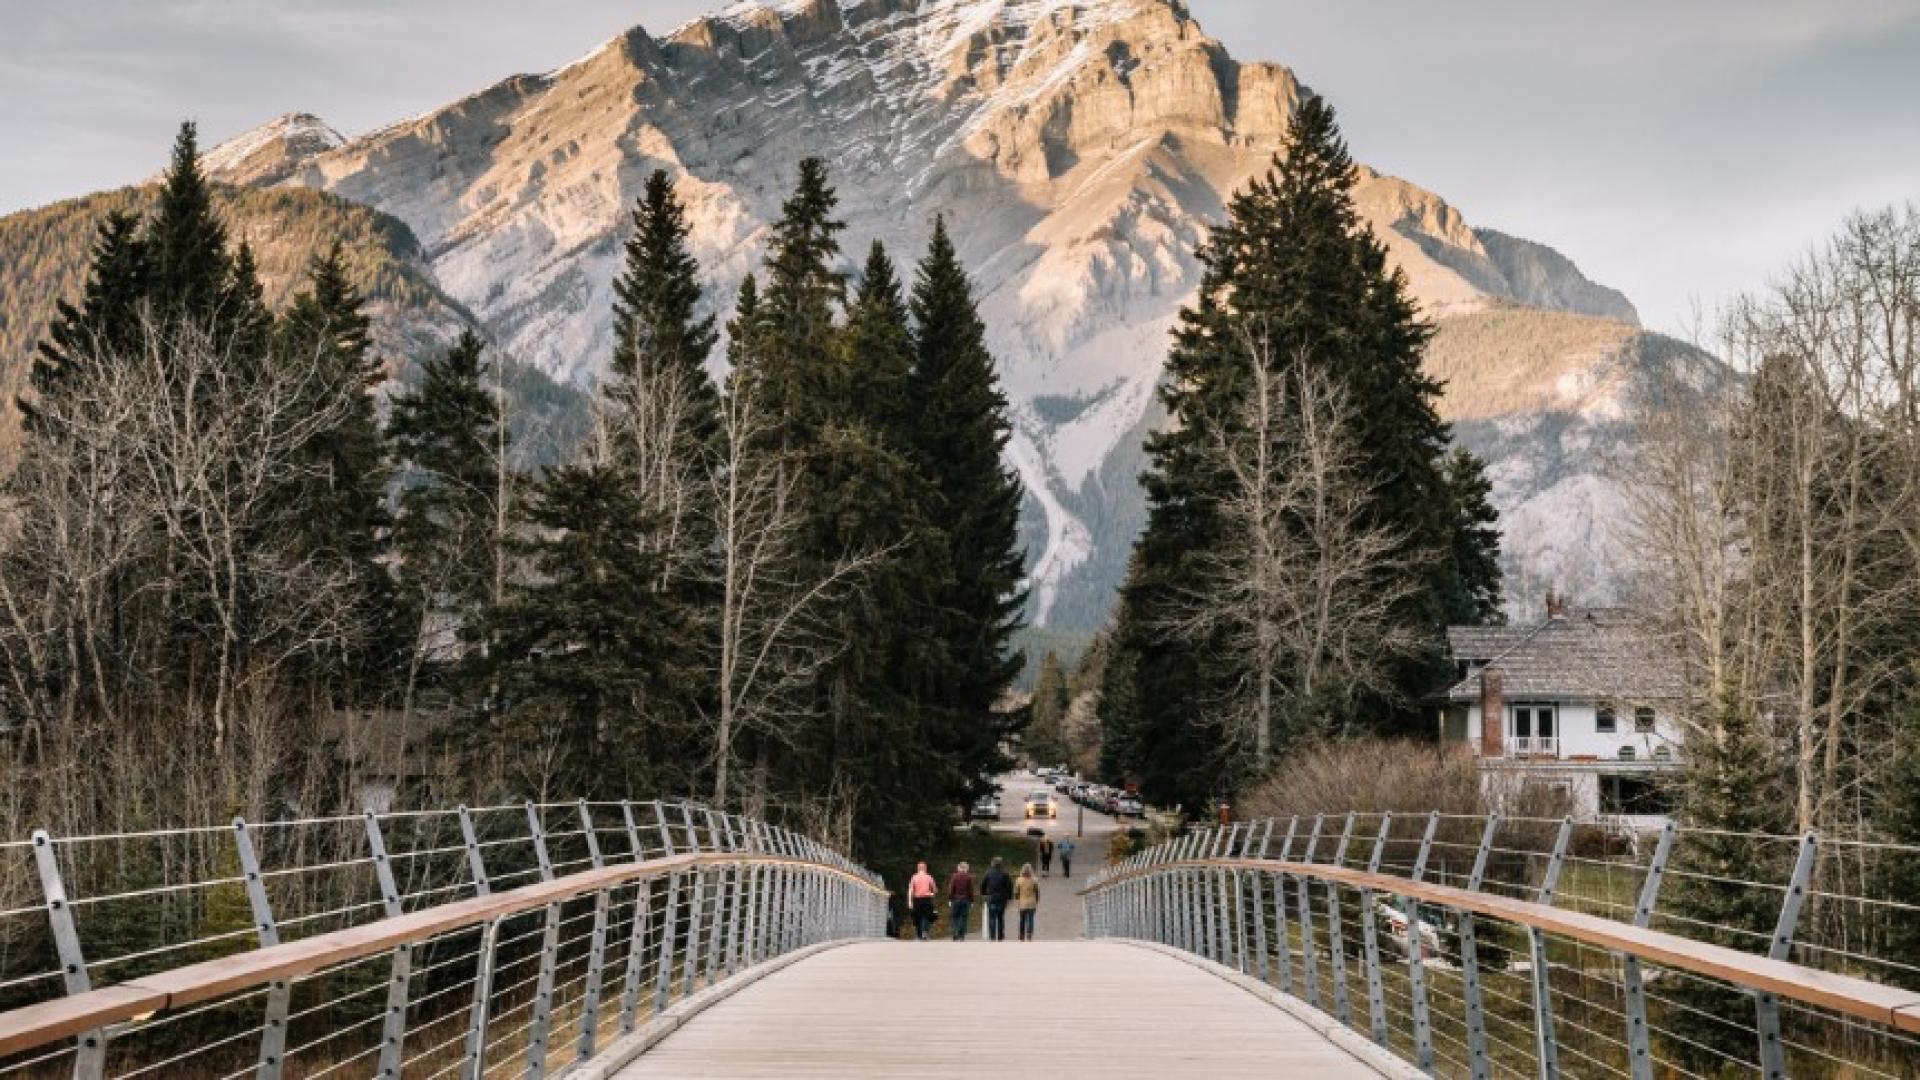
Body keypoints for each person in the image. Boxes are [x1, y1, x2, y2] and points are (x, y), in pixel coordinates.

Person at [981, 857, 1014, 941]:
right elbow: (1009, 886)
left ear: (992, 863)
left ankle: (992, 936)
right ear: (1001, 864)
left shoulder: (988, 873)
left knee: (992, 917)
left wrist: (984, 894)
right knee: (1000, 917)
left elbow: (983, 884)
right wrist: (1010, 897)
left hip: (991, 898)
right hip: (1002, 899)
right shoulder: (1005, 874)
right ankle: (1000, 936)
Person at [907, 861, 937, 941]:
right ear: (925, 868)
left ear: (918, 868)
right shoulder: (929, 877)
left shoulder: (914, 877)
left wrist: (910, 901)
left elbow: (911, 890)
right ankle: (925, 933)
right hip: (927, 899)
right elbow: (934, 889)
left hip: (917, 899)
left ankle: (918, 935)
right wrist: (932, 893)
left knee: (917, 917)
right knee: (926, 916)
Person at [948, 862, 976, 942]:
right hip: (965, 900)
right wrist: (972, 901)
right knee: (964, 918)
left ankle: (955, 933)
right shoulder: (968, 878)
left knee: (955, 917)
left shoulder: (954, 877)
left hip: (955, 900)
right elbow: (971, 890)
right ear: (966, 869)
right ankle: (961, 936)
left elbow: (951, 888)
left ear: (959, 868)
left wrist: (950, 899)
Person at [1015, 863, 1041, 941]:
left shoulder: (1019, 880)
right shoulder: (1034, 880)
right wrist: (1037, 900)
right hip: (1032, 902)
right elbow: (1037, 891)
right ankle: (1029, 933)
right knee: (1030, 919)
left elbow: (1016, 892)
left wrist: (1017, 899)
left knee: (1022, 919)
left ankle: (1021, 934)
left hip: (1022, 902)